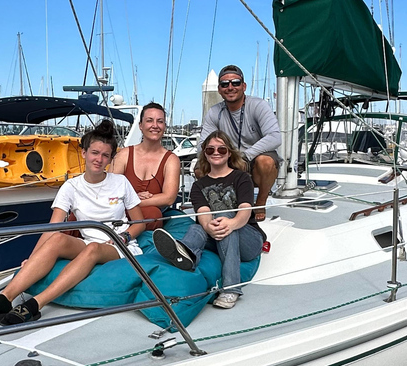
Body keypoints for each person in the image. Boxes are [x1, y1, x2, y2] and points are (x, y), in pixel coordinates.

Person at [0, 120, 145, 325]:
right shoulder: (71, 186)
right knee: (58, 240)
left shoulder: (120, 182)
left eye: (105, 155)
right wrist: (31, 259)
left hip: (120, 246)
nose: (99, 159)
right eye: (95, 153)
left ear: (110, 159)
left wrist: (123, 237)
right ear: (84, 153)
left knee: (94, 249)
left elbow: (140, 223)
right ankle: (3, 300)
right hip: (89, 244)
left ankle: (36, 304)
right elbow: (53, 228)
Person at [153, 131, 265, 309]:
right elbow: (203, 212)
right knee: (197, 227)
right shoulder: (199, 186)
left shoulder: (242, 178)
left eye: (221, 149)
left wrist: (231, 223)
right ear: (205, 153)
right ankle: (186, 253)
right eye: (211, 149)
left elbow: (245, 210)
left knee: (224, 217)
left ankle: (231, 288)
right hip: (219, 235)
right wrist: (207, 226)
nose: (216, 152)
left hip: (248, 239)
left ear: (229, 153)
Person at [199, 64, 281, 222]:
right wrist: (224, 158)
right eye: (225, 84)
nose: (230, 87)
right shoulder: (214, 112)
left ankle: (260, 203)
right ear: (219, 89)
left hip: (255, 158)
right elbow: (203, 143)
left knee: (266, 162)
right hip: (229, 159)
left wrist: (245, 156)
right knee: (199, 169)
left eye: (235, 83)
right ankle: (219, 203)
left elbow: (275, 137)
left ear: (244, 86)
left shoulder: (258, 105)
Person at [111, 102, 181, 230]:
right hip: (118, 210)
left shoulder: (171, 160)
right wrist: (134, 199)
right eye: (149, 121)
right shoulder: (124, 155)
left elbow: (169, 198)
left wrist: (134, 201)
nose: (155, 125)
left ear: (164, 126)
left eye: (160, 121)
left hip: (146, 216)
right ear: (140, 126)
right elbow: (110, 188)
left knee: (153, 214)